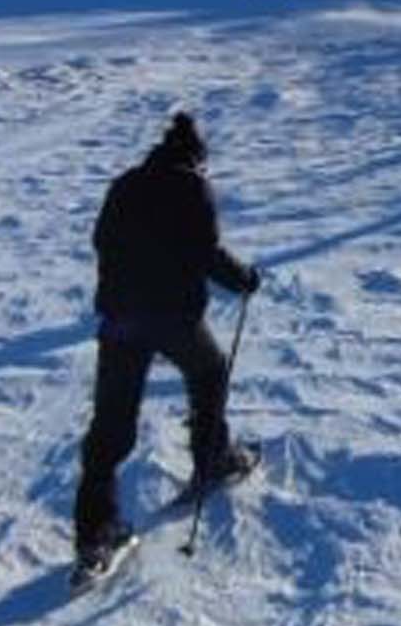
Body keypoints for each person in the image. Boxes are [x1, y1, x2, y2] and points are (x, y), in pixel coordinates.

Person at [72, 111, 260, 567]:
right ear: (196, 157)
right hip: (170, 315)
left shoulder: (125, 183)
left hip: (120, 316)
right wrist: (243, 279)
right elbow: (206, 251)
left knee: (111, 425)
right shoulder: (193, 187)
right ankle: (212, 457)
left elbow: (101, 240)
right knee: (210, 369)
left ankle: (95, 534)